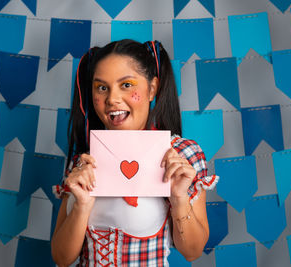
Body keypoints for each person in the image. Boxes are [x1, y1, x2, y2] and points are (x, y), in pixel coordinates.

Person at [51, 39, 219, 267]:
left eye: (127, 85)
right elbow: (61, 258)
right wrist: (82, 205)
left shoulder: (182, 154)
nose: (112, 99)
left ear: (152, 89)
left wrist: (179, 197)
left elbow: (192, 252)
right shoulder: (85, 161)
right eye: (102, 87)